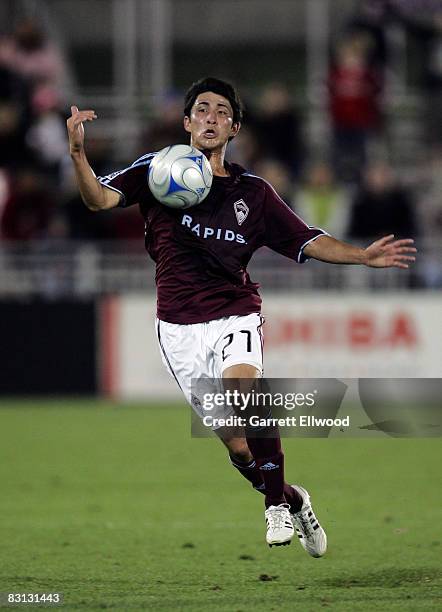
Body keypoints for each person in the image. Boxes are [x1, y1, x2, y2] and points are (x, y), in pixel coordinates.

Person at [66, 77, 416, 556]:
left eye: (221, 112)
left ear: (234, 128)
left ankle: (274, 506)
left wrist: (361, 256)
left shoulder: (254, 193)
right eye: (202, 109)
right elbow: (98, 200)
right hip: (177, 326)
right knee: (237, 448)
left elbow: (307, 240)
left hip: (235, 312)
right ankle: (294, 500)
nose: (211, 117)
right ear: (186, 122)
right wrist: (78, 156)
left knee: (245, 392)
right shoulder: (156, 171)